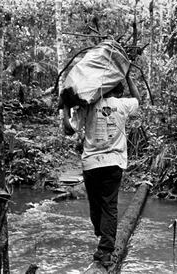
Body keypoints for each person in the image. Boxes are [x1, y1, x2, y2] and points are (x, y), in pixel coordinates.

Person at [64, 74, 140, 267]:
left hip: (91, 164)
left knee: (96, 204)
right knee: (109, 206)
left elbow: (69, 130)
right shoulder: (122, 105)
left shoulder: (89, 105)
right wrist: (129, 75)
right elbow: (138, 99)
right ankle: (105, 249)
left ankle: (103, 241)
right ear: (118, 90)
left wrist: (65, 108)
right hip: (114, 163)